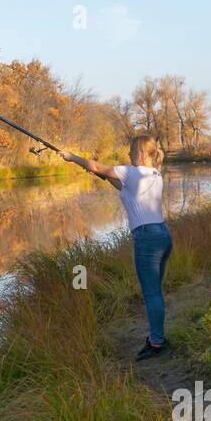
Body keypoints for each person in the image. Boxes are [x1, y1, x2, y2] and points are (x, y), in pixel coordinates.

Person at [59, 136, 172, 359]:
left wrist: (71, 157)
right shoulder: (156, 175)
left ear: (139, 153)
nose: (128, 156)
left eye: (131, 152)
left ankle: (157, 342)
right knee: (155, 293)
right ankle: (157, 336)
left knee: (151, 294)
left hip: (147, 238)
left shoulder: (132, 172)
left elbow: (94, 165)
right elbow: (121, 186)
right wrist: (100, 174)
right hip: (163, 235)